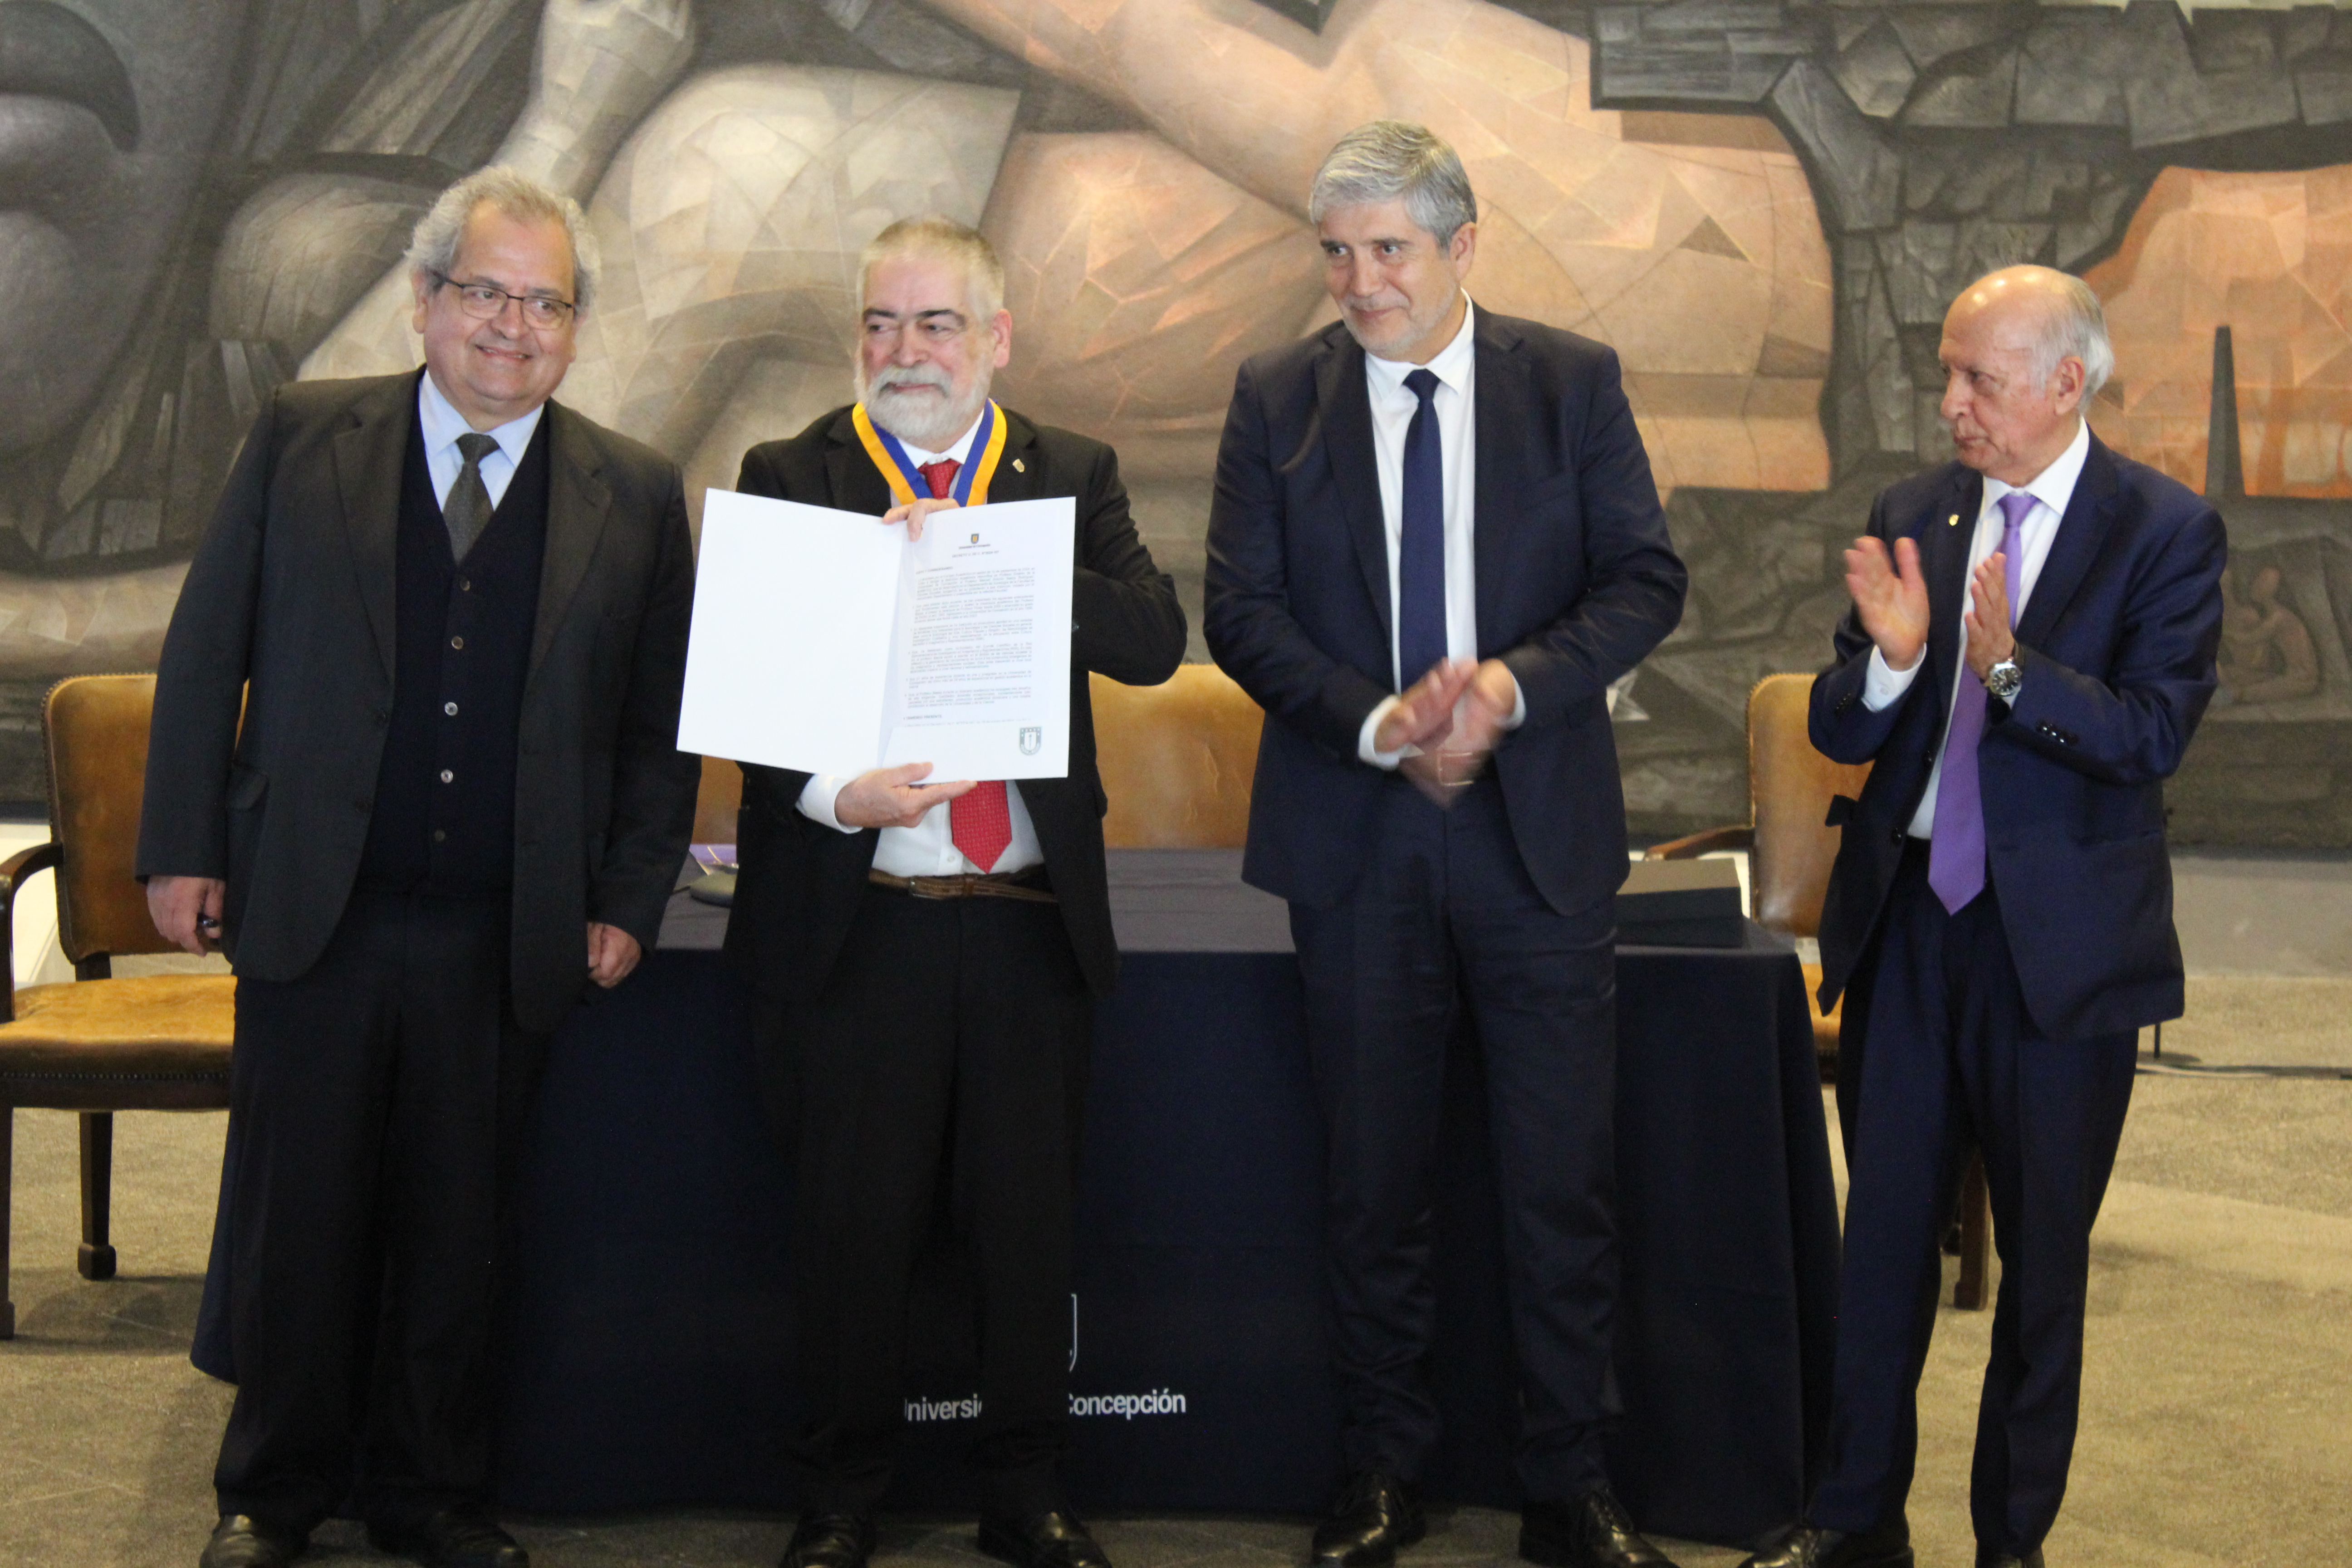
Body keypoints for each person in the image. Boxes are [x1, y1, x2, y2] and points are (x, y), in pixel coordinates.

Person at [136, 167, 701, 1568]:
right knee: (298, 1217)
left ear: (575, 328)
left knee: (463, 1233)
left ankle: (434, 1499)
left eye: (546, 302)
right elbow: (210, 652)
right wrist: (181, 849)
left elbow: (656, 727)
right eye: (485, 292)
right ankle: (271, 1494)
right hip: (310, 906)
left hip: (507, 930)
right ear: (424, 300)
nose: (513, 325)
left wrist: (629, 898)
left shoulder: (631, 492)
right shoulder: (302, 436)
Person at [1202, 122, 1688, 1568]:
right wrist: (1381, 724)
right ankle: (1381, 1474)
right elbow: (1242, 612)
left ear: (1463, 248)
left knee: (1558, 1181)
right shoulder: (1273, 394)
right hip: (1356, 839)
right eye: (1337, 253)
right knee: (1372, 1183)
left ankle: (1568, 1483)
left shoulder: (1571, 384)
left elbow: (1645, 577)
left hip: (1536, 838)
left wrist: (1510, 690)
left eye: (1389, 252)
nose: (1359, 284)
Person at [1740, 267, 2226, 1568]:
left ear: (2069, 383)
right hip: (1910, 932)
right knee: (1882, 1251)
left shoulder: (2166, 531)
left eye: (1981, 381)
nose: (1950, 403)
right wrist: (1896, 662)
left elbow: (2150, 734)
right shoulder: (1917, 510)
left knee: (2042, 1281)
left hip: (2058, 960)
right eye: (1947, 374)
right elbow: (1839, 720)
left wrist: (2007, 668)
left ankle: (2011, 1544)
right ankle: (1852, 1527)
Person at [724, 216, 1187, 1568]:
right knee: (850, 1233)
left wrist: (998, 559)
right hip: (863, 919)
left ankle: (1027, 1493)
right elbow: (751, 715)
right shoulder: (791, 470)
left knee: (1027, 1235)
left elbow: (1156, 643)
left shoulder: (1070, 472)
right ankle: (839, 1498)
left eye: (936, 325)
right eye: (882, 323)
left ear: (995, 340)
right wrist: (832, 798)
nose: (905, 351)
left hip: (1028, 922)